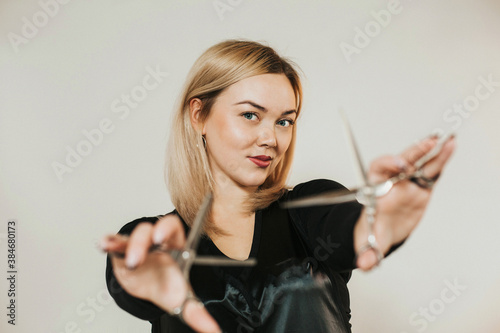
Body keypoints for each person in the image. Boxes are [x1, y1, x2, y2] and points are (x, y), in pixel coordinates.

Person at [101, 40, 455, 333]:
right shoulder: (155, 239)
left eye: (284, 121)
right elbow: (133, 284)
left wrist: (382, 224)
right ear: (199, 116)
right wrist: (136, 278)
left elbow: (355, 232)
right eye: (250, 115)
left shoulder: (310, 208)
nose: (271, 138)